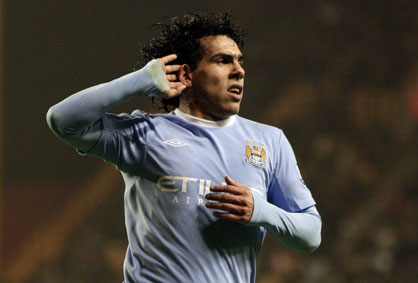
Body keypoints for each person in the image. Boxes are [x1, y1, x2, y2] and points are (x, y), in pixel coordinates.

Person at [46, 12, 321, 283]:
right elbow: (63, 120)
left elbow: (311, 235)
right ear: (187, 74)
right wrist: (139, 82)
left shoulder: (269, 141)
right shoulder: (145, 133)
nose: (239, 70)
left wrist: (261, 212)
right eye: (223, 61)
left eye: (240, 61)